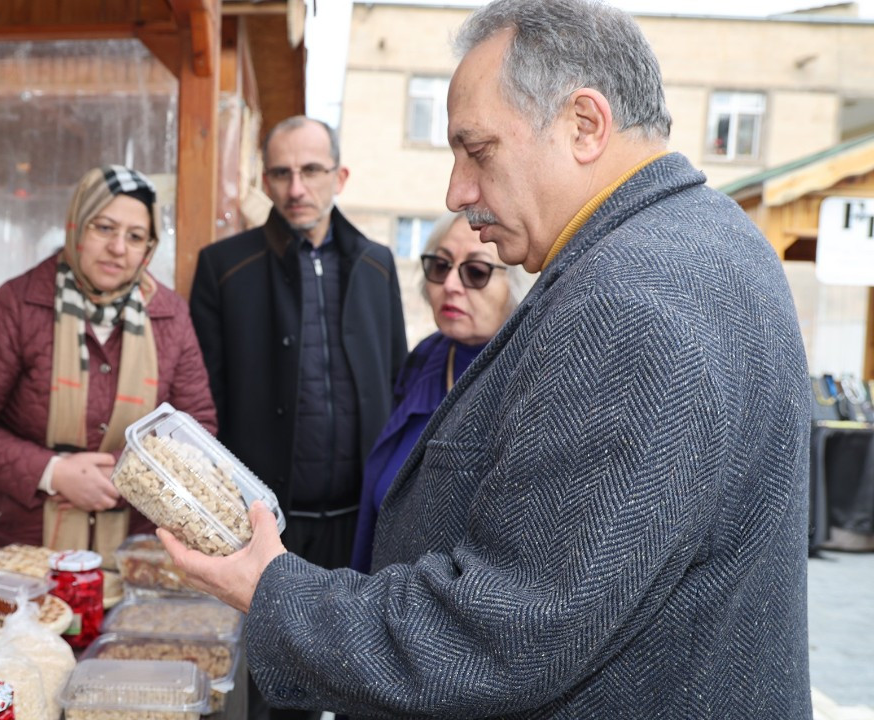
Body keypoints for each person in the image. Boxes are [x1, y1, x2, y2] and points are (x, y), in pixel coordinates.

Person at [160, 1, 813, 718]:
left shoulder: (629, 298)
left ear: (584, 125)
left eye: (478, 150)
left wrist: (273, 589)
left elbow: (503, 636)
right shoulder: (712, 235)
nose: (456, 191)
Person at [189, 115, 406, 720]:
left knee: (360, 685)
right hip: (264, 526)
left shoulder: (377, 264)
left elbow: (392, 382)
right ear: (264, 180)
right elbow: (205, 407)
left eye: (311, 170)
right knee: (265, 695)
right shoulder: (222, 268)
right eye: (281, 173)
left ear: (339, 175)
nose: (296, 188)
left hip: (355, 526)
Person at [0, 165, 216, 577]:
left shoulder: (170, 316)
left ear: (148, 248)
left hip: (127, 557)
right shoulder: (17, 305)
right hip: (15, 553)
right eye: (104, 228)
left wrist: (125, 476)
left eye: (135, 237)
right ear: (76, 227)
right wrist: (54, 473)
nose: (118, 247)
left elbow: (196, 427)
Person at [351, 213, 535, 573]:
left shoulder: (530, 379)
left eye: (476, 272)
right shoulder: (427, 357)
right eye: (440, 265)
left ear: (516, 284)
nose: (451, 284)